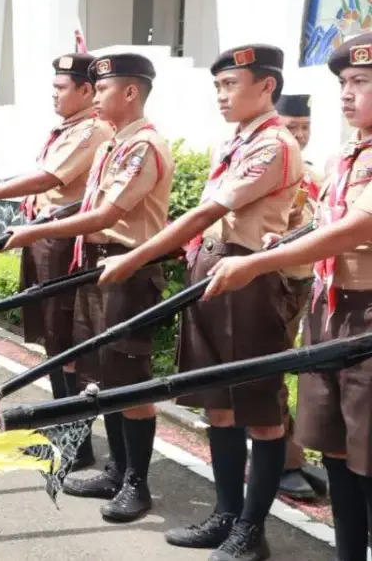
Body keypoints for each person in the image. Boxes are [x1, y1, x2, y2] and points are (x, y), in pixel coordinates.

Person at [99, 45, 302, 556]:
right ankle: (225, 515)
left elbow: (204, 214)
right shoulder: (233, 142)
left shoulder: (272, 145)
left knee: (260, 409)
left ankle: (251, 530)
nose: (221, 95)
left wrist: (133, 258)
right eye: (217, 86)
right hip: (213, 277)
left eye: (231, 84)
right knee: (218, 405)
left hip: (251, 282)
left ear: (267, 86)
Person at [203, 33, 372, 561]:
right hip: (330, 308)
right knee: (339, 452)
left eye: (361, 82)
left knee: (369, 457)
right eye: (344, 82)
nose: (346, 94)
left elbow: (359, 227)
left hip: (366, 314)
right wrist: (291, 240)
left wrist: (258, 259)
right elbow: (330, 221)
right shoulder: (347, 153)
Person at [0, 54, 172, 523]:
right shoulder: (115, 143)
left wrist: (31, 231)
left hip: (128, 269)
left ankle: (137, 481)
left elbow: (108, 214)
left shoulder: (142, 146)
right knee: (103, 375)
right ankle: (116, 469)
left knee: (130, 380)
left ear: (130, 92)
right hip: (97, 265)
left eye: (104, 87)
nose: (96, 95)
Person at [0, 54, 112, 469]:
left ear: (87, 91)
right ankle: (67, 432)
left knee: (69, 344)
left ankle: (78, 441)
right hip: (46, 241)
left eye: (61, 88)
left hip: (64, 246)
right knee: (55, 340)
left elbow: (47, 180)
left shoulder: (92, 131)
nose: (53, 95)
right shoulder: (70, 129)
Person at [273, 93, 328, 502]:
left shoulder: (314, 174)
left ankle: (294, 455)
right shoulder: (275, 170)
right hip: (275, 283)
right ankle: (282, 462)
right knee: (273, 374)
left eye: (305, 127)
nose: (300, 135)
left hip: (308, 285)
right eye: (292, 127)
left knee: (305, 374)